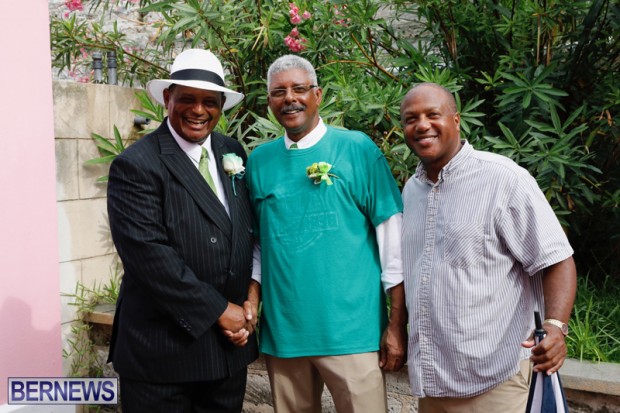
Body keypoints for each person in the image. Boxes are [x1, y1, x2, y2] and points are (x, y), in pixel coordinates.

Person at [400, 82, 577, 412]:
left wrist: (555, 328)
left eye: (432, 114)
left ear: (456, 120)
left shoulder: (504, 179)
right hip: (433, 383)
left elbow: (556, 259)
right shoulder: (411, 191)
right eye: (411, 119)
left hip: (496, 382)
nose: (422, 125)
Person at [245, 55, 408, 413]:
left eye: (299, 89)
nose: (290, 98)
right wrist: (252, 300)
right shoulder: (259, 161)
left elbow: (393, 243)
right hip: (285, 334)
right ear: (269, 101)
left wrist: (397, 323)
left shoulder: (357, 149)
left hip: (353, 334)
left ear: (317, 95)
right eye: (279, 92)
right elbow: (257, 244)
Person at [106, 49, 259, 413]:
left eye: (210, 101)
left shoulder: (231, 151)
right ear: (167, 98)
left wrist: (250, 301)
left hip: (227, 351)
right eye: (187, 99)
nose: (198, 110)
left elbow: (247, 233)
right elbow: (150, 258)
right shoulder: (136, 165)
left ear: (221, 106)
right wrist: (221, 311)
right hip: (163, 354)